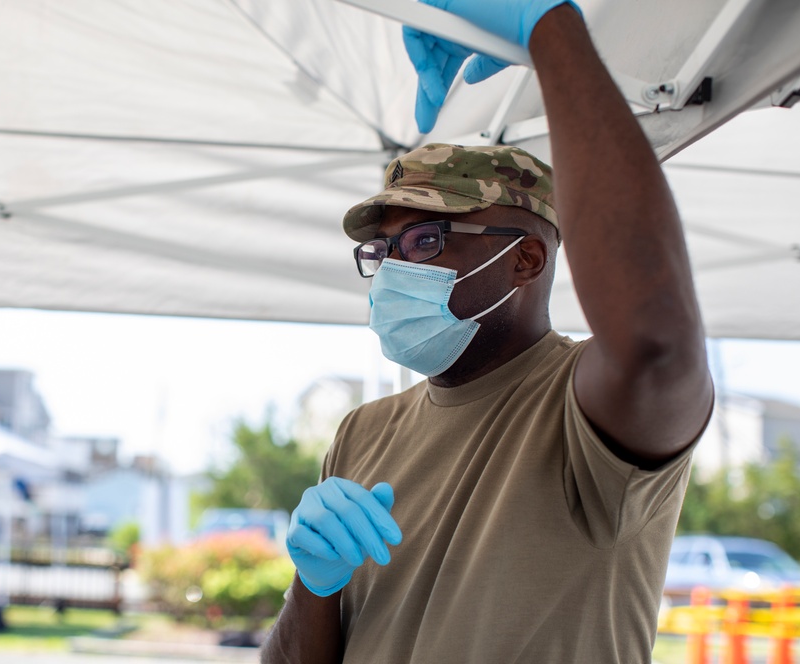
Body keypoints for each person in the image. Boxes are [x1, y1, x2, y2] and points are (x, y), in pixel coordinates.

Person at [261, 1, 714, 662]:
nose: (391, 270)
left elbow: (654, 343)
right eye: (380, 253)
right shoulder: (363, 432)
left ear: (526, 258)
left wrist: (549, 30)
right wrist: (313, 586)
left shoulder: (582, 406)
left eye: (423, 240)